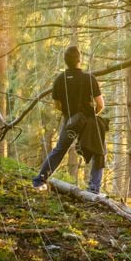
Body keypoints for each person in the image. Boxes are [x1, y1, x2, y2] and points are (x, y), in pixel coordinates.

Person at [32, 46, 105, 193]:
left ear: (66, 61)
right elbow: (100, 105)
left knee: (59, 150)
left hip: (69, 122)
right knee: (99, 152)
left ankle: (39, 180)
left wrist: (69, 114)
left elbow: (57, 105)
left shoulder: (60, 79)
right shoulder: (89, 78)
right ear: (80, 60)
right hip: (88, 121)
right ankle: (94, 189)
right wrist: (91, 114)